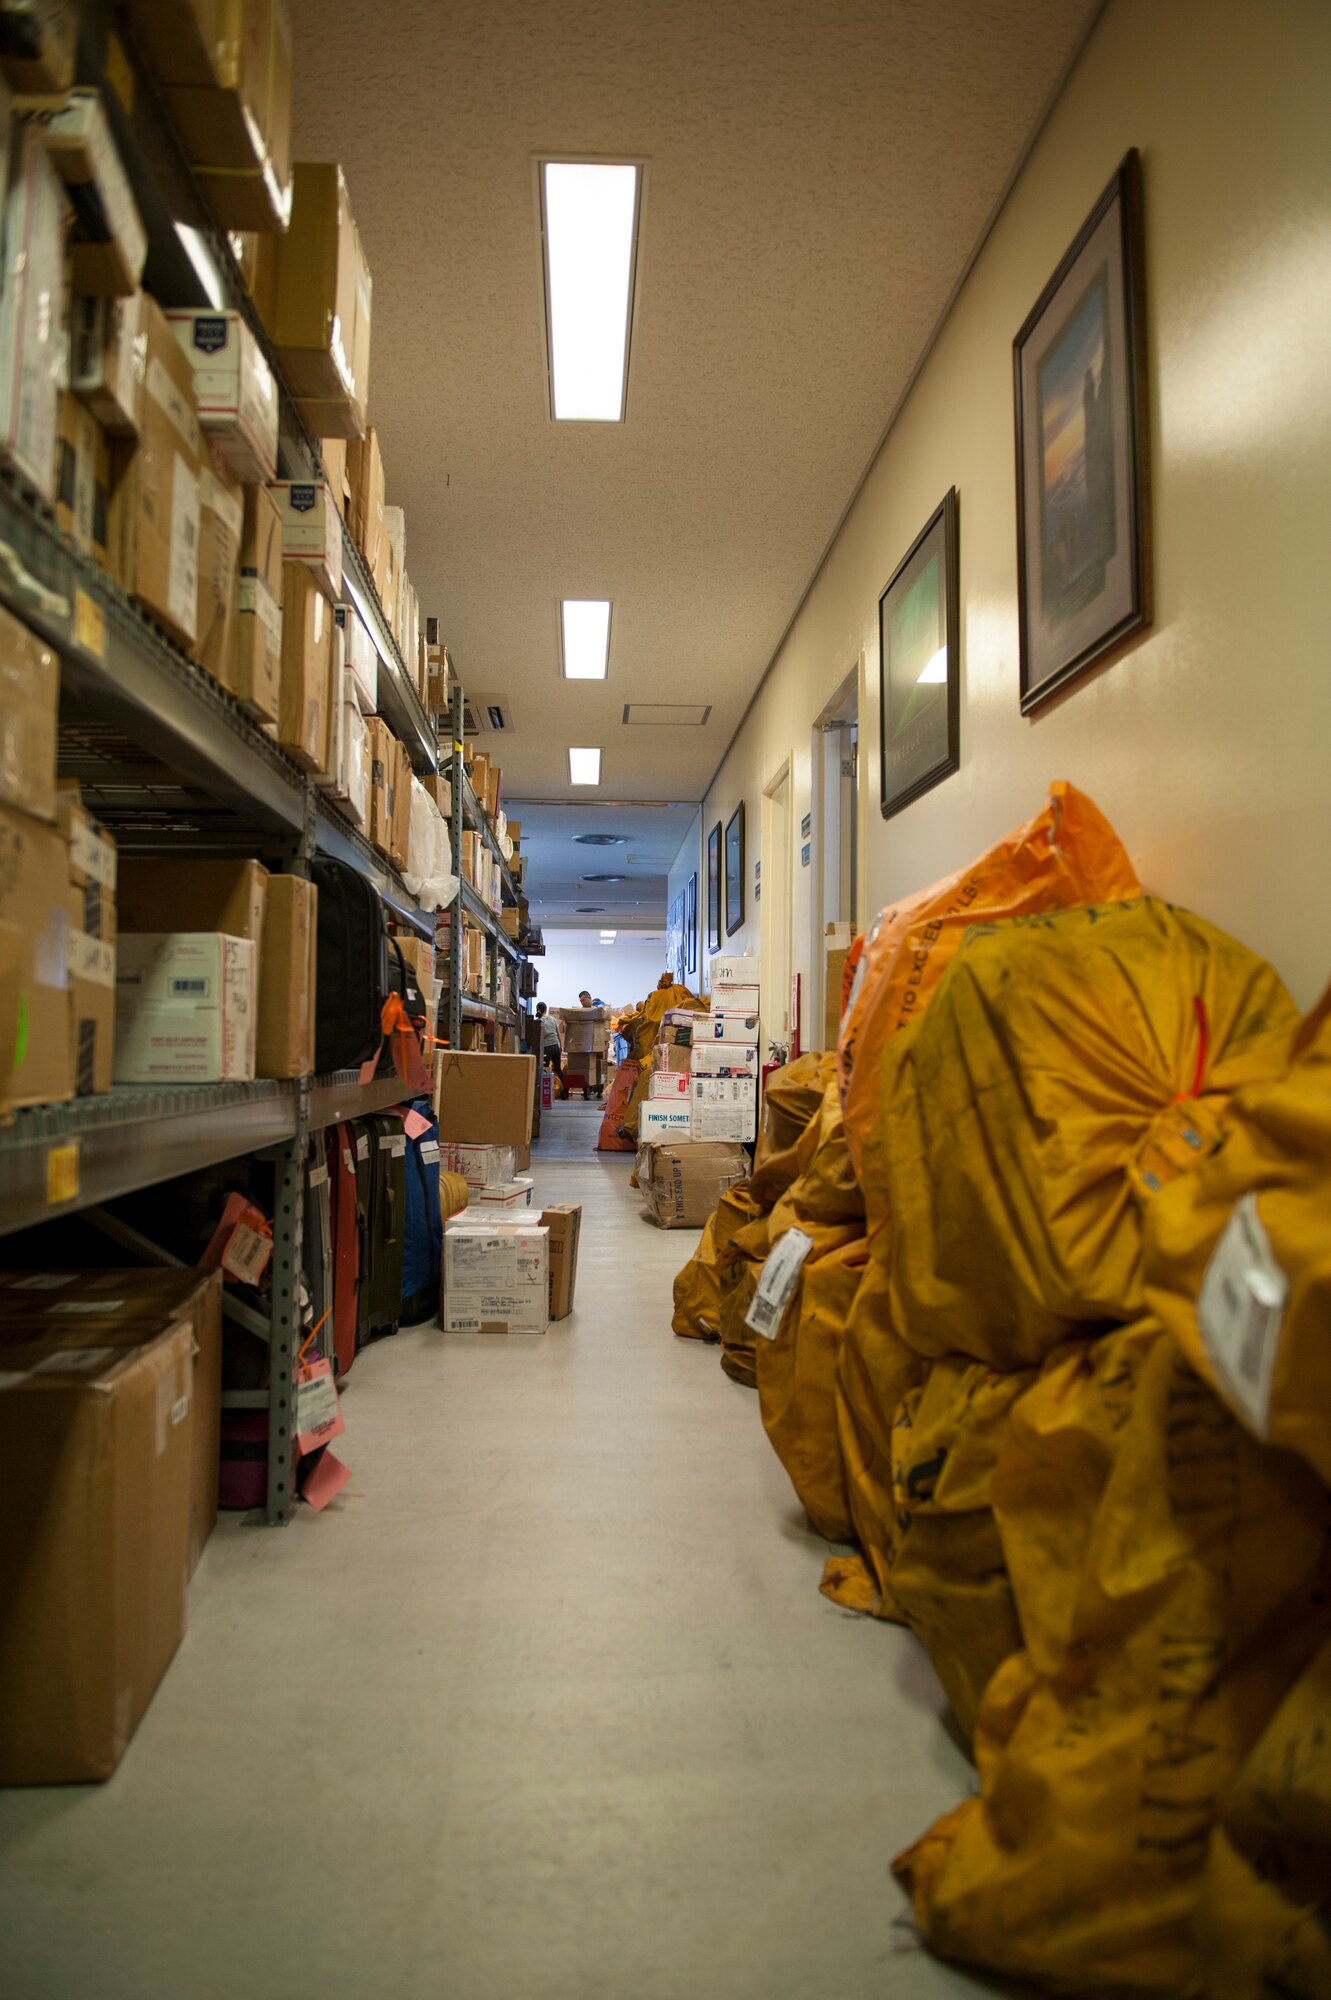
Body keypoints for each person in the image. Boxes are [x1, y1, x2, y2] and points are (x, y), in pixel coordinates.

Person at [535, 1002, 563, 1087]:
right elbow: (558, 1034)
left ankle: (546, 1090)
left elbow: (537, 1037)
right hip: (555, 1047)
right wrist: (560, 1047)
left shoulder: (538, 1021)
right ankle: (565, 1089)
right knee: (558, 1069)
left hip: (546, 1048)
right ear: (546, 1010)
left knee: (545, 1069)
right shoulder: (552, 1019)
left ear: (537, 1010)